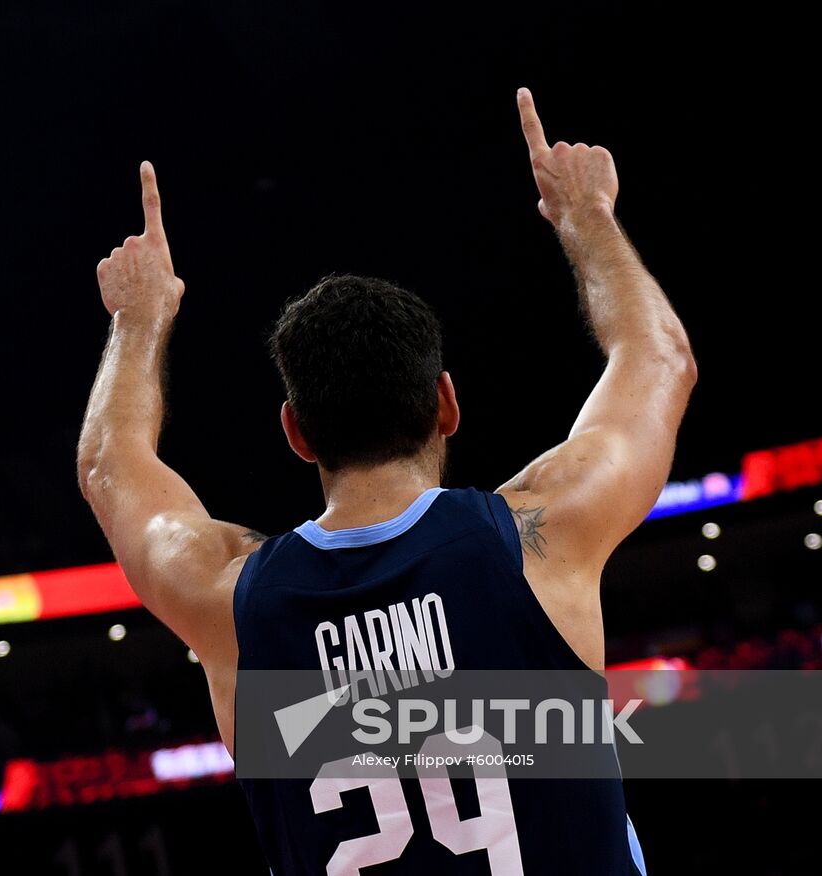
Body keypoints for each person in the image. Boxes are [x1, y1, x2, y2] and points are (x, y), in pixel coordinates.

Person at [77, 88, 695, 874]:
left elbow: (109, 467)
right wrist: (586, 217)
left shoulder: (233, 601)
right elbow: (659, 359)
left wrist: (139, 320)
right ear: (447, 403)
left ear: (295, 434)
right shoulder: (538, 537)